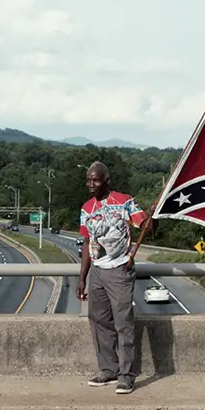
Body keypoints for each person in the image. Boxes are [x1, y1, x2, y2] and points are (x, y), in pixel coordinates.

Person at [77, 161, 150, 394]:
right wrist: (82, 278)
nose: (91, 184)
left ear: (106, 181)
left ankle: (126, 375)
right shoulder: (87, 208)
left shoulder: (124, 201)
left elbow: (144, 224)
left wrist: (151, 221)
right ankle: (108, 369)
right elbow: (87, 242)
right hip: (97, 270)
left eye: (95, 180)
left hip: (120, 268)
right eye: (88, 180)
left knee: (123, 323)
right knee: (98, 321)